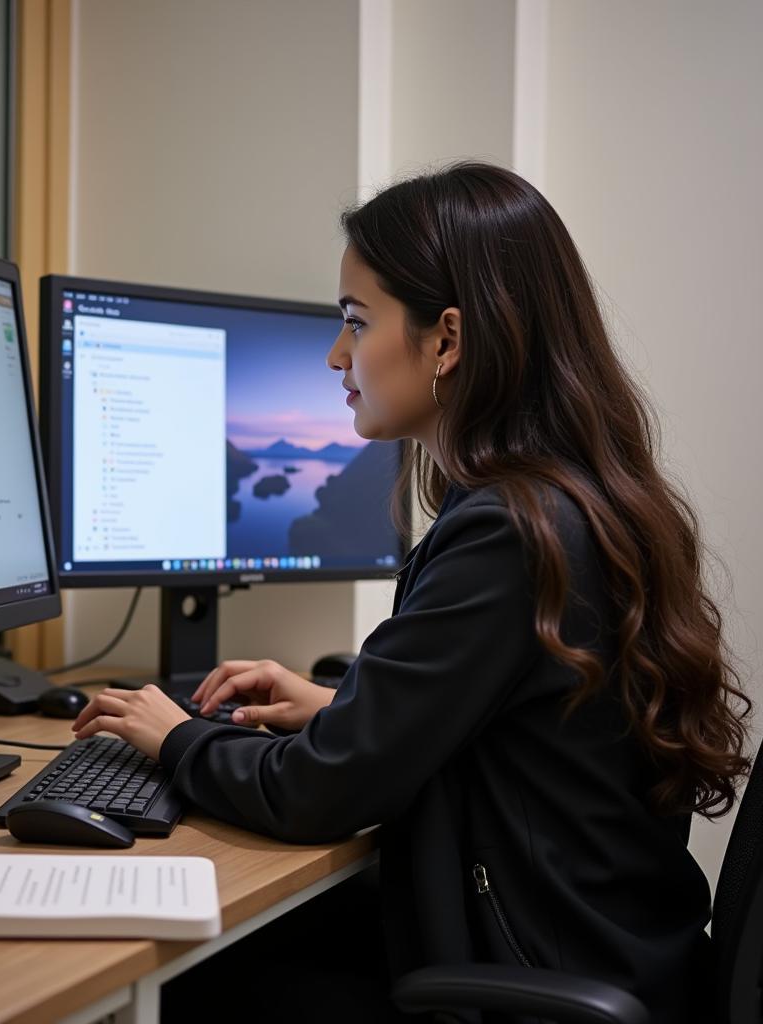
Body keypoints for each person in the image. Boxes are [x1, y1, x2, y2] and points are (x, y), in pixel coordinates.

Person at [70, 162, 752, 1023]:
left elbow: (317, 795)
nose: (336, 355)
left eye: (356, 322)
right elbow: (517, 732)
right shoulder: (572, 498)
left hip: (531, 982)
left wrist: (174, 741)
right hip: (607, 951)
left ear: (448, 340)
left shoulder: (510, 532)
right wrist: (339, 707)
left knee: (180, 987)